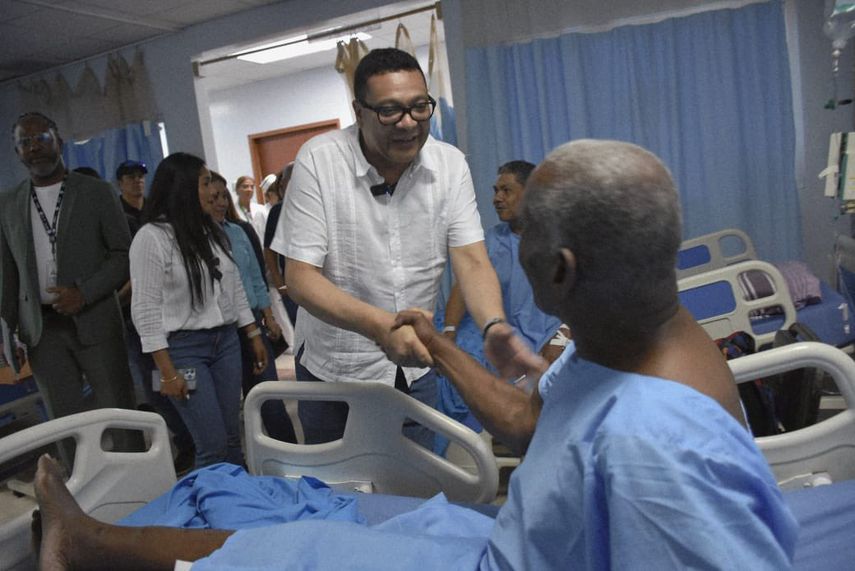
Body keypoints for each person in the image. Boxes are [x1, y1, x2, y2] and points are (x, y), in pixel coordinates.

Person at [31, 139, 797, 570]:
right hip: (500, 538)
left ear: (558, 268)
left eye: (520, 231)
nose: (503, 246)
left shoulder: (649, 447)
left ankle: (88, 542)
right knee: (333, 530)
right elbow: (532, 422)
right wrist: (437, 343)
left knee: (290, 555)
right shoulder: (634, 334)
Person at [271, 48, 536, 447]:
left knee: (415, 488)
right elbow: (301, 278)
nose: (408, 123)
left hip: (415, 369)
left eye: (419, 107)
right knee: (341, 495)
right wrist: (381, 327)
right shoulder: (319, 161)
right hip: (336, 368)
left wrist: (493, 326)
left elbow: (472, 260)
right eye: (390, 111)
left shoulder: (449, 165)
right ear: (359, 112)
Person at [0, 112, 138, 441]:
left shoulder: (96, 192)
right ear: (17, 152)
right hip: (41, 330)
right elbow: (7, 274)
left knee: (119, 414)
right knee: (64, 424)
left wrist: (84, 293)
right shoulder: (7, 204)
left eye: (41, 138)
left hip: (95, 320)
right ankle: (81, 490)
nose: (34, 147)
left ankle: (138, 488)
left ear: (59, 142)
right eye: (25, 142)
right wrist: (6, 333)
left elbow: (123, 255)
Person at [129, 152, 267, 468]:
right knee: (212, 444)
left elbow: (233, 289)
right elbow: (145, 310)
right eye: (205, 183)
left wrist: (253, 332)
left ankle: (240, 507)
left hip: (226, 344)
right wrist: (166, 371)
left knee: (233, 437)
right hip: (183, 351)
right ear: (184, 188)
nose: (213, 192)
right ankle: (212, 510)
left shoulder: (211, 232)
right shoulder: (151, 238)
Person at [436, 160, 567, 452]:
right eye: (495, 190)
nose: (496, 198)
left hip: (544, 333)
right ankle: (457, 454)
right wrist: (449, 330)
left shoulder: (559, 239)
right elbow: (463, 287)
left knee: (549, 373)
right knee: (455, 369)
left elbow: (585, 293)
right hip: (491, 331)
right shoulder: (491, 241)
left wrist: (562, 336)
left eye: (506, 190)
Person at [115, 159, 196, 473]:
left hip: (169, 312)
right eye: (130, 177)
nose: (137, 182)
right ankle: (185, 438)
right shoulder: (119, 216)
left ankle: (193, 436)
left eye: (140, 176)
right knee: (154, 387)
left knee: (183, 378)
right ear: (120, 182)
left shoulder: (154, 214)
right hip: (134, 314)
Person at [209, 171, 296, 443]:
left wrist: (268, 316)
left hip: (254, 325)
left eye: (224, 196)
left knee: (268, 396)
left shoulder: (240, 231)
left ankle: (290, 455)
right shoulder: (194, 239)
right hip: (220, 331)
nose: (221, 203)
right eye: (214, 198)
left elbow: (256, 277)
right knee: (227, 410)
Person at [263, 162, 298, 326]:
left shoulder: (318, 206)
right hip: (292, 284)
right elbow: (269, 250)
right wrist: (279, 282)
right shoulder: (278, 211)